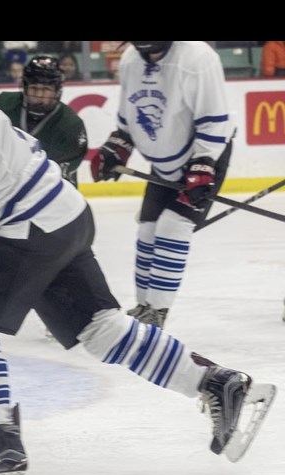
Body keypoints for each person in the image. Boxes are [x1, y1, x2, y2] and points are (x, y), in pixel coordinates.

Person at [0, 43, 273, 475]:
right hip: (61, 217)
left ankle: (1, 449)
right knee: (100, 328)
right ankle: (217, 383)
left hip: (27, 227)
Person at [91, 42, 234, 329]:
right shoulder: (131, 59)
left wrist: (203, 165)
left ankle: (158, 311)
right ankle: (143, 306)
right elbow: (128, 119)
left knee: (172, 226)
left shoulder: (197, 57)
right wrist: (117, 146)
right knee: (147, 230)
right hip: (164, 164)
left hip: (204, 156)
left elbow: (215, 120)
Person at [0, 55, 87, 187]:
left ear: (57, 91)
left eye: (46, 90)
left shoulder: (71, 126)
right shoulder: (2, 105)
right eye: (34, 88)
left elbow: (56, 179)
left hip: (51, 197)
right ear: (25, 87)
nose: (39, 96)